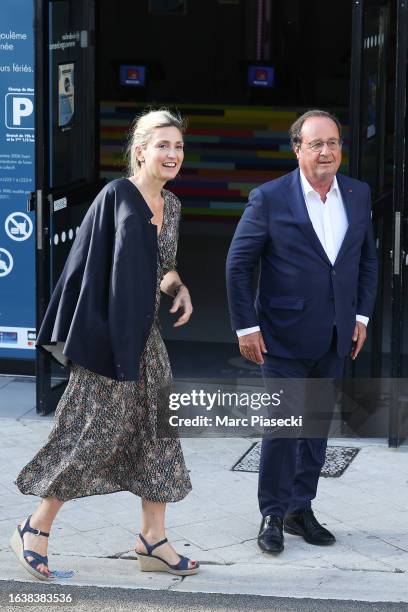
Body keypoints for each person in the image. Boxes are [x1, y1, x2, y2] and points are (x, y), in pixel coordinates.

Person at [11, 109, 199, 579]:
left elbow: (163, 264)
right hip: (109, 343)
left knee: (160, 437)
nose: (172, 154)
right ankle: (34, 528)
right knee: (91, 437)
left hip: (146, 340)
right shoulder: (118, 196)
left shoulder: (171, 205)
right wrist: (108, 345)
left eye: (177, 146)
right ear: (140, 150)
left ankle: (152, 540)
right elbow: (92, 275)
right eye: (162, 145)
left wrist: (178, 287)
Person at [226, 110, 378, 554]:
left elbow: (366, 260)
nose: (327, 151)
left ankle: (300, 509)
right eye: (316, 144)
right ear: (298, 149)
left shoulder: (357, 193)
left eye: (333, 142)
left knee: (314, 429)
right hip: (281, 337)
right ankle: (272, 513)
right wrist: (246, 327)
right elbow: (238, 265)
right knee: (283, 428)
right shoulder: (270, 198)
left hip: (336, 337)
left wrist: (362, 317)